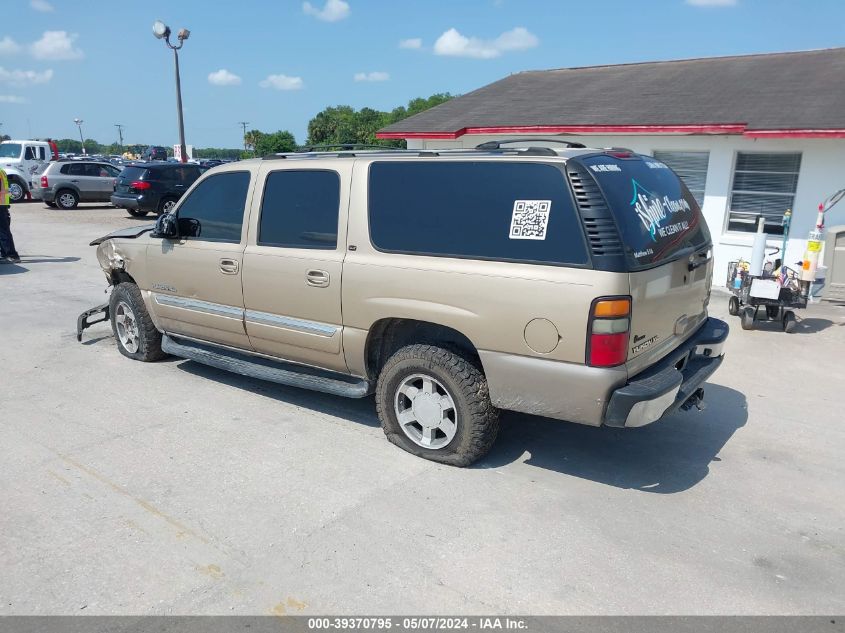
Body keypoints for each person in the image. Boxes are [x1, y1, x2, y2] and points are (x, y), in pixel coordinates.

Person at [0, 167, 21, 264]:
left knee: (4, 231)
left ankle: (12, 254)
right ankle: (5, 253)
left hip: (0, 204)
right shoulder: (1, 171)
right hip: (3, 203)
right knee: (4, 231)